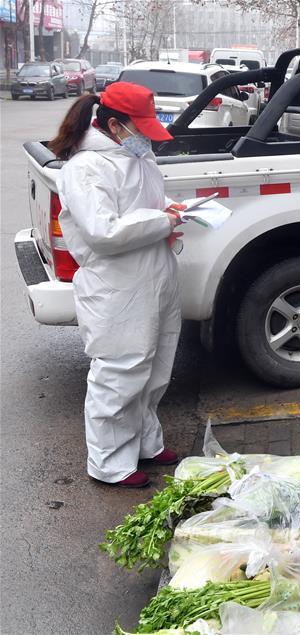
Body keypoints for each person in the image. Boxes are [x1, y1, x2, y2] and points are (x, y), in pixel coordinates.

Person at [49, 83, 186, 488]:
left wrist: (170, 210)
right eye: (139, 128)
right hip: (116, 287)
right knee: (120, 372)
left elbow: (141, 206)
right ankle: (110, 463)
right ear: (113, 124)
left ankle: (145, 442)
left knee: (156, 366)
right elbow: (103, 231)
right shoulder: (85, 168)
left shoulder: (136, 155)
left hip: (154, 275)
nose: (146, 137)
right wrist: (163, 221)